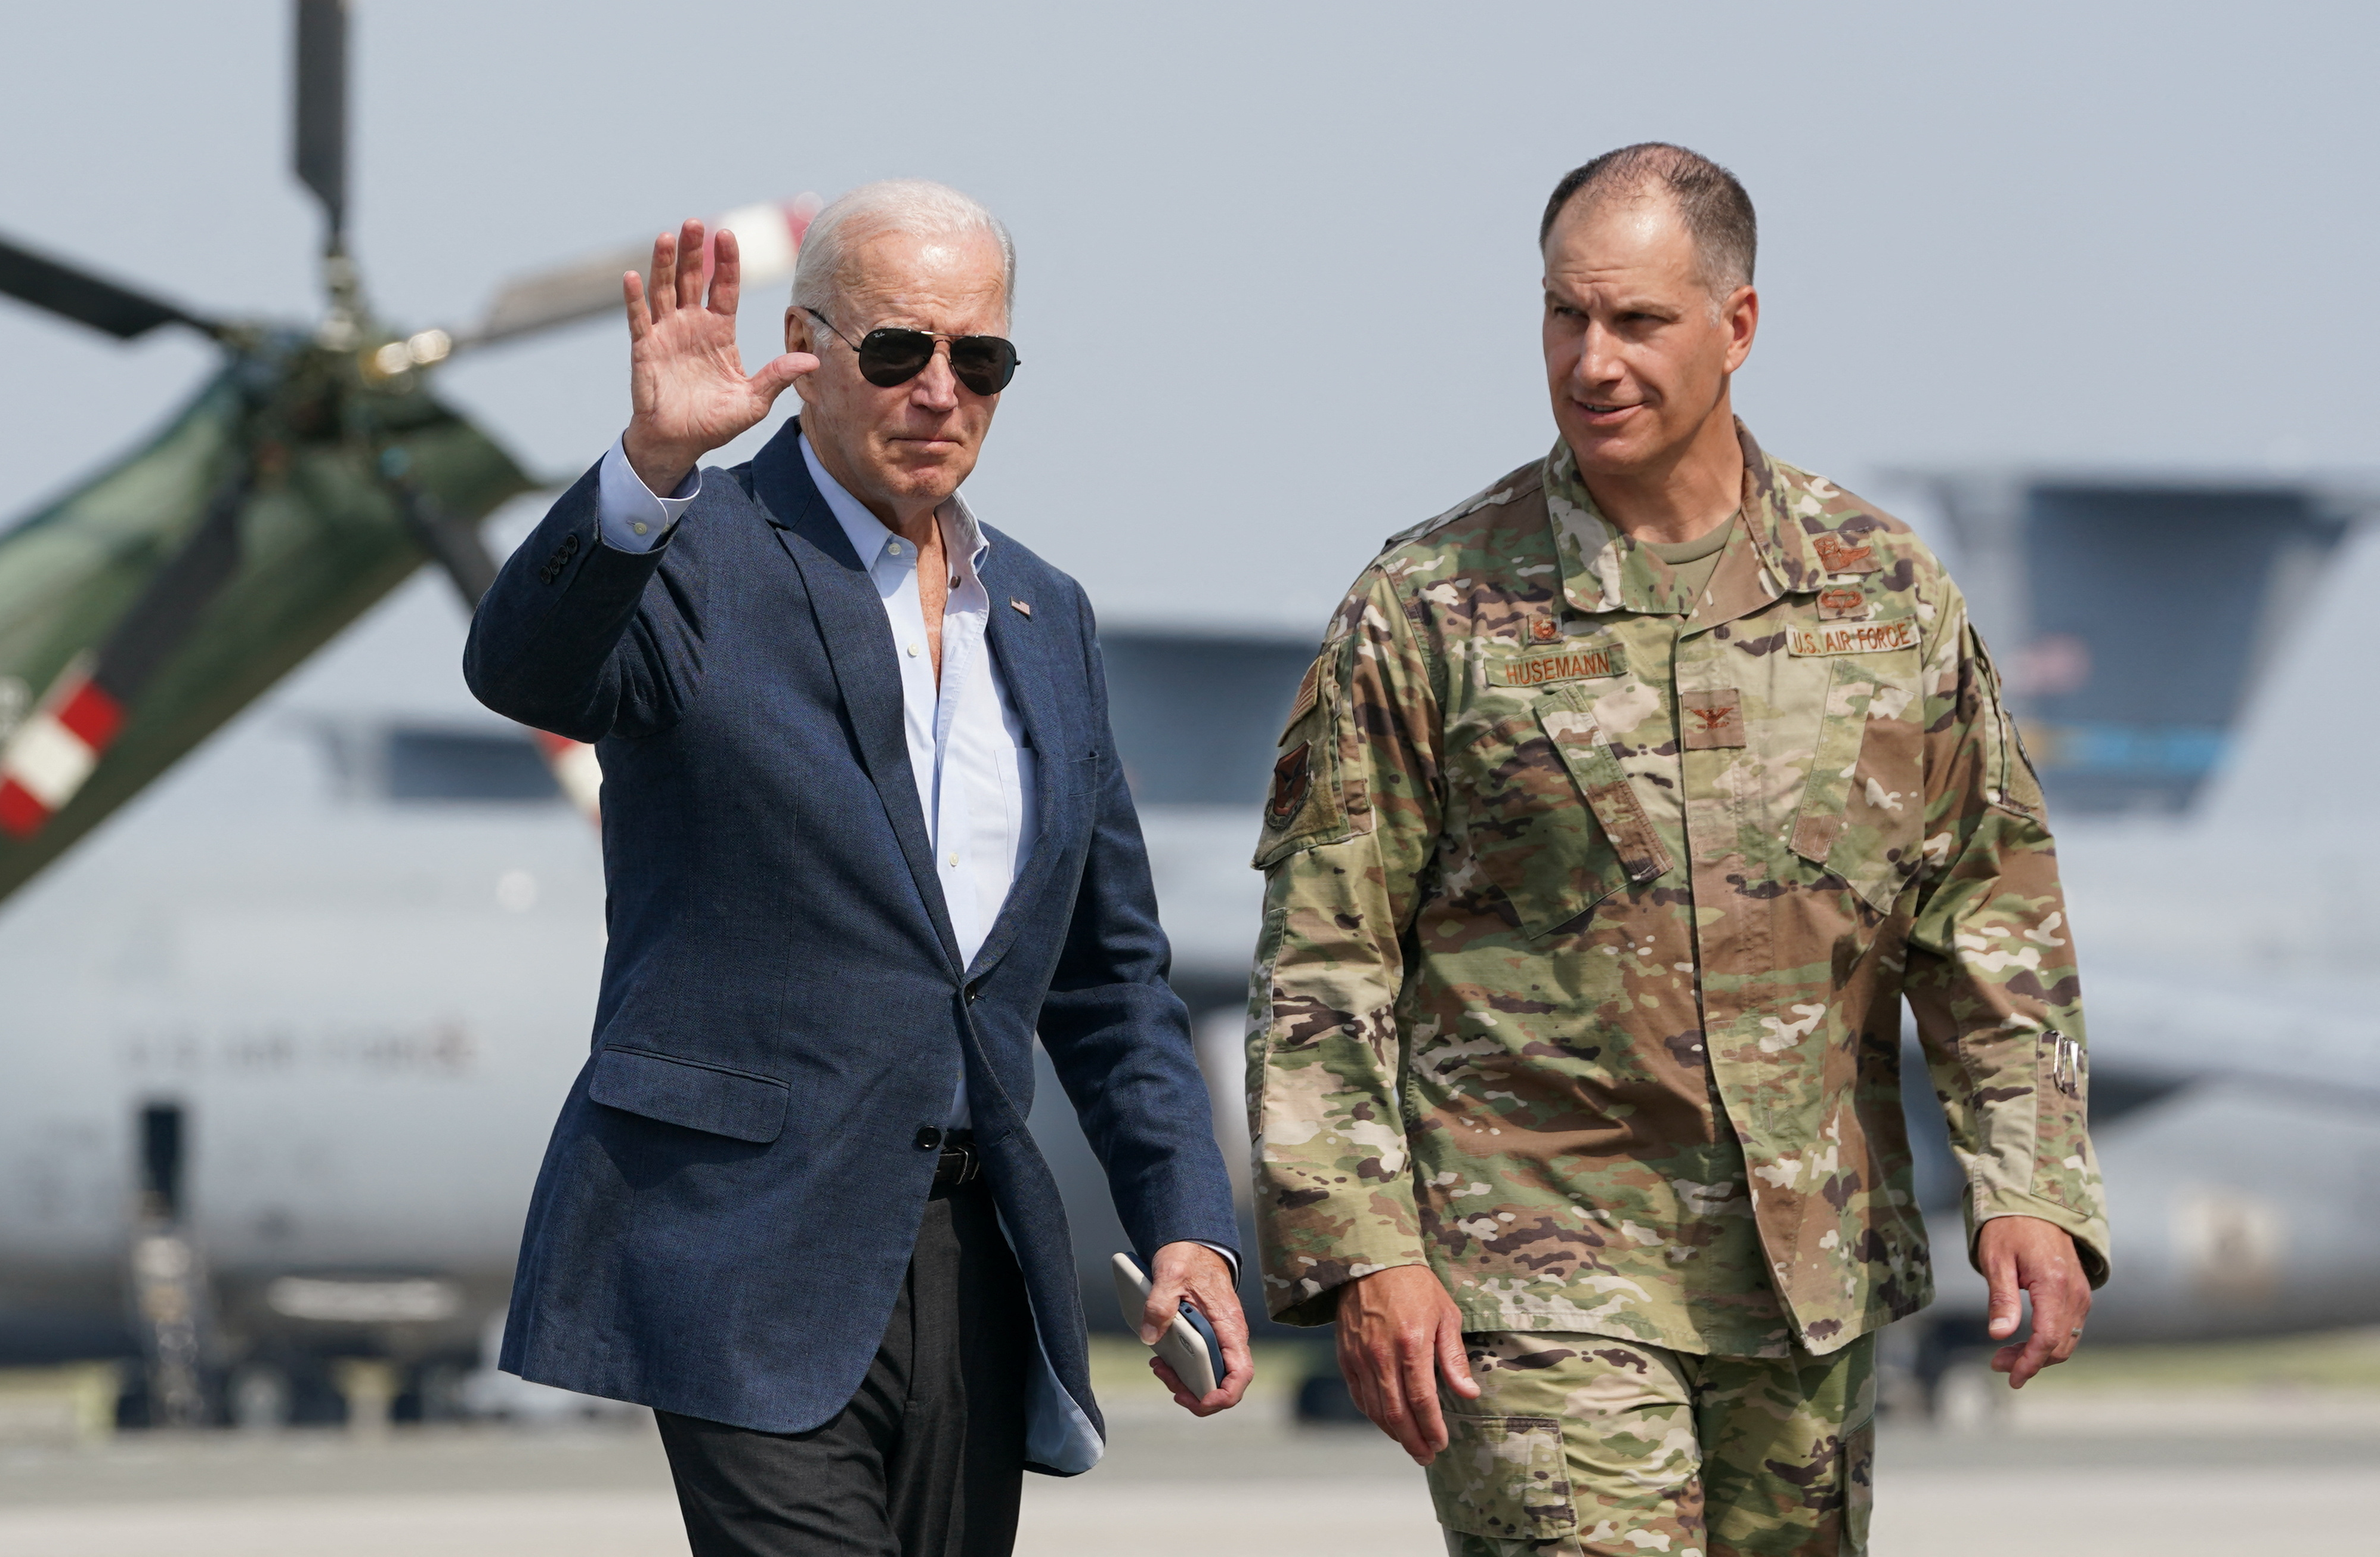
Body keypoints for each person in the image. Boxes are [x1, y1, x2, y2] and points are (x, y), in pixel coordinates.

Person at [1245, 143, 2108, 1556]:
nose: (1592, 361)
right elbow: (1323, 965)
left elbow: (1989, 916)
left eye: (1637, 321)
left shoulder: (1882, 594)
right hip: (1535, 1280)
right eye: (1562, 316)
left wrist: (2030, 1186)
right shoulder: (1430, 608)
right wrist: (1366, 1248)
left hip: (1803, 1282)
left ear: (1738, 326)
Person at [466, 179, 1249, 1557]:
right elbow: (520, 666)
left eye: (979, 358)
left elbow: (1110, 978)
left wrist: (1187, 1221)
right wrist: (647, 472)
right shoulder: (690, 551)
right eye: (898, 349)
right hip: (737, 1245)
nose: (939, 389)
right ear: (806, 347)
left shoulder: (1046, 614)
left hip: (973, 1259)